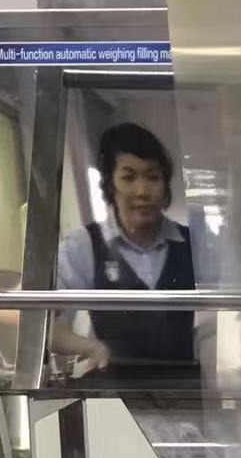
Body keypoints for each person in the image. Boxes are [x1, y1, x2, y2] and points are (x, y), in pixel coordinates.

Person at [52, 121, 196, 381]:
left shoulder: (193, 244)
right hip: (115, 396)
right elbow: (46, 326)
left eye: (153, 177)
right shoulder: (85, 246)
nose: (142, 191)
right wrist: (93, 348)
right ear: (110, 184)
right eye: (129, 177)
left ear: (165, 184)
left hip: (187, 393)